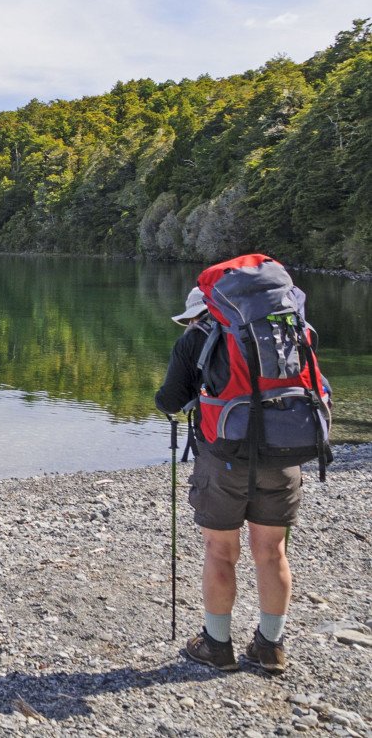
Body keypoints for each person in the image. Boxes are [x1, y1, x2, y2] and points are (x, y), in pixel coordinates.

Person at [155, 286, 296, 674]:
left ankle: (217, 645)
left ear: (200, 312)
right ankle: (271, 647)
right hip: (284, 452)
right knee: (272, 552)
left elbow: (169, 399)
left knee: (221, 551)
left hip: (223, 457)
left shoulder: (195, 339)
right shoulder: (282, 331)